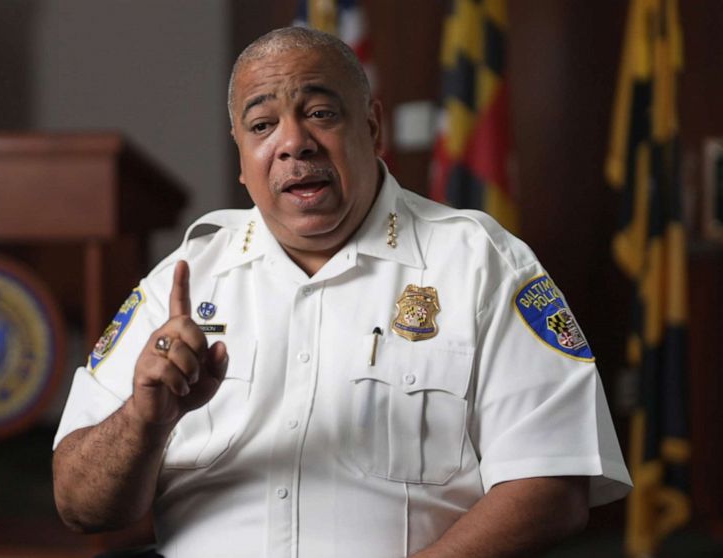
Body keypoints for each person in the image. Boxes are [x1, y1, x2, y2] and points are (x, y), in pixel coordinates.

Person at [52, 26, 631, 558]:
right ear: (241, 155)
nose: (293, 143)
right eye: (261, 125)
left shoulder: (482, 264)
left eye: (321, 113)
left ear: (372, 127)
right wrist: (145, 421)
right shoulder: (182, 280)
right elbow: (79, 505)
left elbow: (553, 484)